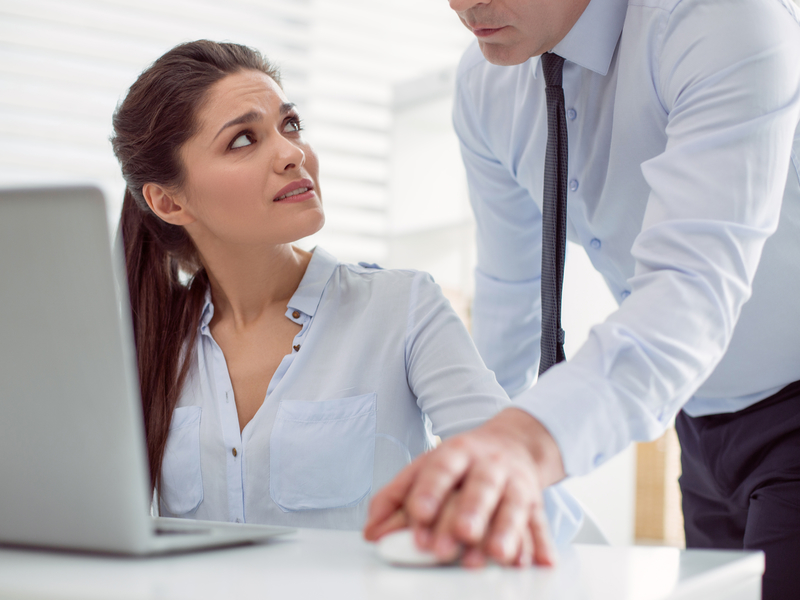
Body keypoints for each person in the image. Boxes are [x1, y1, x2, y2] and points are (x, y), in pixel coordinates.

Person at [364, 0, 800, 595]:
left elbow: (690, 289)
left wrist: (524, 445)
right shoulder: (483, 81)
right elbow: (509, 292)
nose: (464, 4)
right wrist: (479, 463)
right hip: (698, 425)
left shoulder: (718, 15)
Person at [109, 39, 580, 548]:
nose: (292, 154)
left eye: (289, 125)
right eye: (243, 140)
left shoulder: (403, 309)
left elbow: (529, 500)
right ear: (169, 202)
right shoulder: (145, 343)